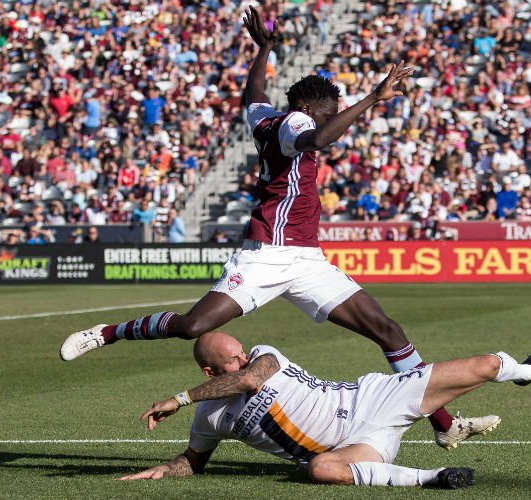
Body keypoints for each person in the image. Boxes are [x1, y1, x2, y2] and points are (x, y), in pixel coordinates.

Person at [61, 6, 473, 450]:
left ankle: (446, 424)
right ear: (310, 108)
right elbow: (317, 137)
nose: (330, 119)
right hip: (267, 254)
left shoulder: (264, 120)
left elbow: (254, 94)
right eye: (328, 112)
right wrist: (372, 98)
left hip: (307, 259)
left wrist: (266, 48)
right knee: (193, 326)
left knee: (386, 329)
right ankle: (105, 333)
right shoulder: (299, 123)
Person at [118, 332, 531, 488]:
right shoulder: (211, 418)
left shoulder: (263, 355)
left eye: (239, 354)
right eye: (230, 359)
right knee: (319, 470)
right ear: (208, 368)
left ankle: (525, 371)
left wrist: (178, 398)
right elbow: (192, 462)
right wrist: (167, 468)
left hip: (369, 398)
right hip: (359, 447)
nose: (241, 360)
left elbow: (250, 379)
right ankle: (434, 477)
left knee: (486, 365)